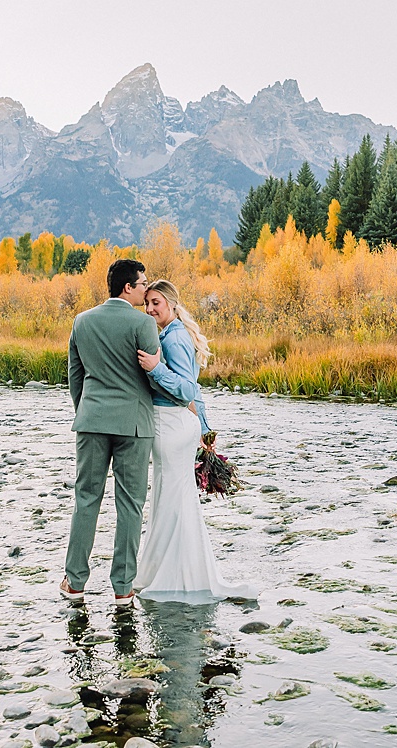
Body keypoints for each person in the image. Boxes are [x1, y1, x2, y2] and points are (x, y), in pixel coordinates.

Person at [131, 278, 256, 601]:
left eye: (155, 302)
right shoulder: (170, 333)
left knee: (172, 501)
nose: (149, 309)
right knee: (169, 499)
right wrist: (204, 429)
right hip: (174, 426)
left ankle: (175, 576)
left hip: (172, 426)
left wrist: (156, 368)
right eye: (147, 303)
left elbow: (187, 390)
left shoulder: (174, 339)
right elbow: (193, 394)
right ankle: (166, 570)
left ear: (171, 303)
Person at [61, 258, 160, 607]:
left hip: (91, 420)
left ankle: (75, 582)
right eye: (143, 283)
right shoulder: (143, 323)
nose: (148, 289)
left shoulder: (82, 321)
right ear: (127, 287)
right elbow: (153, 376)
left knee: (86, 498)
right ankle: (122, 587)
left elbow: (75, 376)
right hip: (134, 424)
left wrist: (86, 410)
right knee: (130, 506)